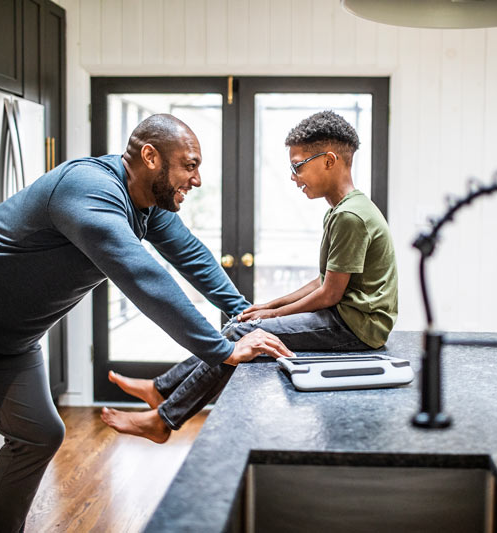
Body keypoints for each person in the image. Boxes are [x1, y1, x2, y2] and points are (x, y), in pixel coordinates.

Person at [0, 114, 293, 533]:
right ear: (150, 156)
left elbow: (193, 256)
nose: (197, 179)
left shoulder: (149, 207)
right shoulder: (88, 190)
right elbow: (142, 276)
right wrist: (222, 349)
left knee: (37, 435)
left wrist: (244, 315)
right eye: (190, 165)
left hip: (12, 336)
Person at [106, 109, 398, 438]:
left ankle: (163, 420)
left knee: (246, 335)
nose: (293, 176)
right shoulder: (343, 210)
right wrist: (266, 308)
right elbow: (324, 281)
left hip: (358, 327)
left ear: (329, 160)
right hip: (349, 317)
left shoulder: (350, 216)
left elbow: (330, 294)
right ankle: (162, 389)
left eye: (298, 165)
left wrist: (269, 315)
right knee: (242, 325)